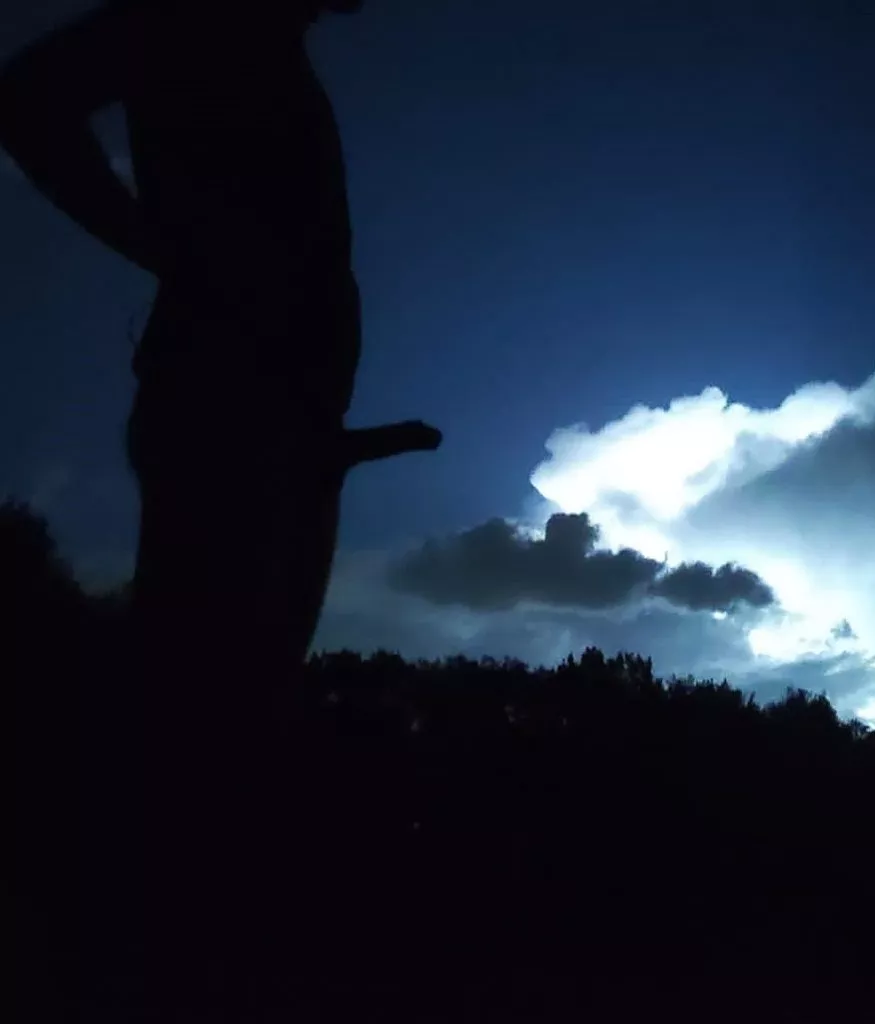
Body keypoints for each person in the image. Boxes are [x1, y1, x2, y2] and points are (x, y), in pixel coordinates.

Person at [1, 2, 441, 1015]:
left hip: (279, 428)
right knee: (196, 743)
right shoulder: (204, 21)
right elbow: (25, 101)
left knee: (234, 737)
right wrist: (165, 254)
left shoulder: (264, 53)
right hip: (234, 418)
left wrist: (322, 442)